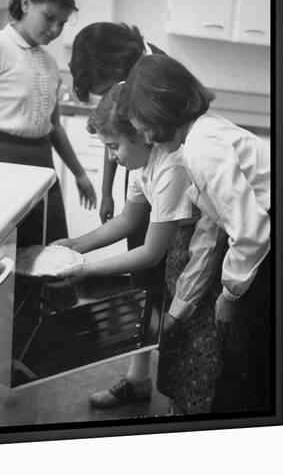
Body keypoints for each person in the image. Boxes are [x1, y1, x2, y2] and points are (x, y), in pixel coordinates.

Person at [122, 54, 271, 414]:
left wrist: (230, 295)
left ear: (159, 108)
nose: (141, 134)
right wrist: (182, 306)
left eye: (140, 123)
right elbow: (210, 228)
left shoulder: (203, 147)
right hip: (264, 239)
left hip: (269, 243)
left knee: (250, 362)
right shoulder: (201, 135)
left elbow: (251, 232)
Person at [52, 83, 203, 409]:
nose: (110, 156)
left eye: (113, 146)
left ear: (140, 135)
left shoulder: (170, 168)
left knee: (184, 337)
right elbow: (128, 220)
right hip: (182, 249)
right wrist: (76, 245)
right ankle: (150, 391)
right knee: (168, 328)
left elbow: (150, 253)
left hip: (205, 254)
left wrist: (84, 270)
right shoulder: (141, 162)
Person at [0, 0, 97, 248]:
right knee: (5, 252)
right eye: (49, 17)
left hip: (42, 165)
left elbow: (53, 126)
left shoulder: (50, 62)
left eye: (62, 23)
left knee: (48, 251)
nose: (56, 29)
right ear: (25, 3)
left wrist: (79, 173)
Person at [69, 22, 165, 260]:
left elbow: (151, 253)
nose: (108, 97)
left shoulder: (161, 75)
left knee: (155, 257)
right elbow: (114, 133)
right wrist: (107, 191)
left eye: (106, 90)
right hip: (139, 173)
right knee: (137, 241)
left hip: (164, 183)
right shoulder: (129, 152)